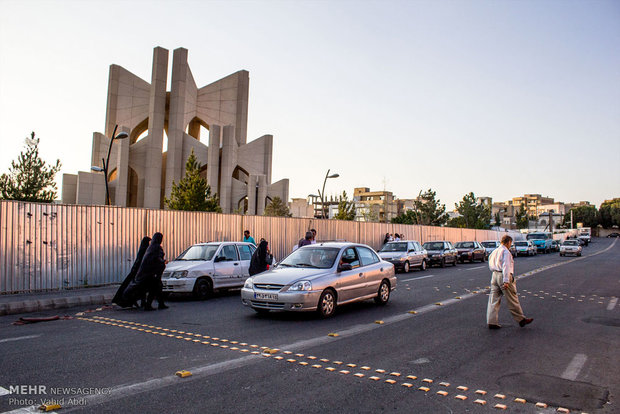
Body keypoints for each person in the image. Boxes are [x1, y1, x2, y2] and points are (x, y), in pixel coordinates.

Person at [486, 235, 533, 329]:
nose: (510, 245)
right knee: (512, 299)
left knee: (493, 299)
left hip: (494, 275)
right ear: (508, 242)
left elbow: (490, 263)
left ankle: (492, 321)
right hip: (503, 276)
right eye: (510, 243)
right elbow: (506, 267)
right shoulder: (506, 252)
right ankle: (521, 319)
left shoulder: (495, 251)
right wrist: (506, 281)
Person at [123, 232, 168, 310]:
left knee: (158, 287)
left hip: (145, 273)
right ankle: (149, 305)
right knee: (155, 288)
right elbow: (157, 259)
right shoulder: (156, 247)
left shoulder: (150, 247)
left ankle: (160, 304)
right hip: (151, 274)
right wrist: (163, 262)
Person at [112, 236, 151, 308]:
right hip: (140, 274)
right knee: (142, 288)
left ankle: (137, 302)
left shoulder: (142, 250)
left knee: (139, 288)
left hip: (136, 272)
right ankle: (140, 302)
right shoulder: (146, 251)